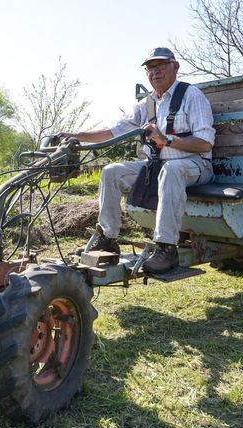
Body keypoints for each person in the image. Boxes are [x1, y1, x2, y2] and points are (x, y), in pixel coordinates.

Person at [59, 47, 215, 273]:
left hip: (195, 165)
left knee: (171, 170)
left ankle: (166, 247)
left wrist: (166, 140)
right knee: (111, 171)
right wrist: (77, 136)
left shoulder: (192, 96)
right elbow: (113, 131)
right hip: (157, 166)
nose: (155, 72)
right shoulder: (147, 104)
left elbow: (205, 143)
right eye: (150, 68)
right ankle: (108, 239)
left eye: (161, 66)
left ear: (175, 67)